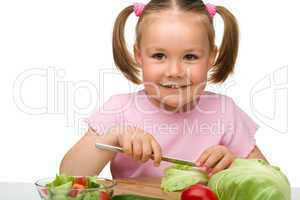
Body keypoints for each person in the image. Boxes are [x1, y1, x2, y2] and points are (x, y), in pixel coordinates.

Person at [60, 0, 267, 179]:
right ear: (139, 55)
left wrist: (235, 166)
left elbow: (270, 180)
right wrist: (113, 137)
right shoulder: (119, 108)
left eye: (190, 57)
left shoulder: (225, 111)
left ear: (211, 57)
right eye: (159, 56)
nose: (175, 71)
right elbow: (68, 174)